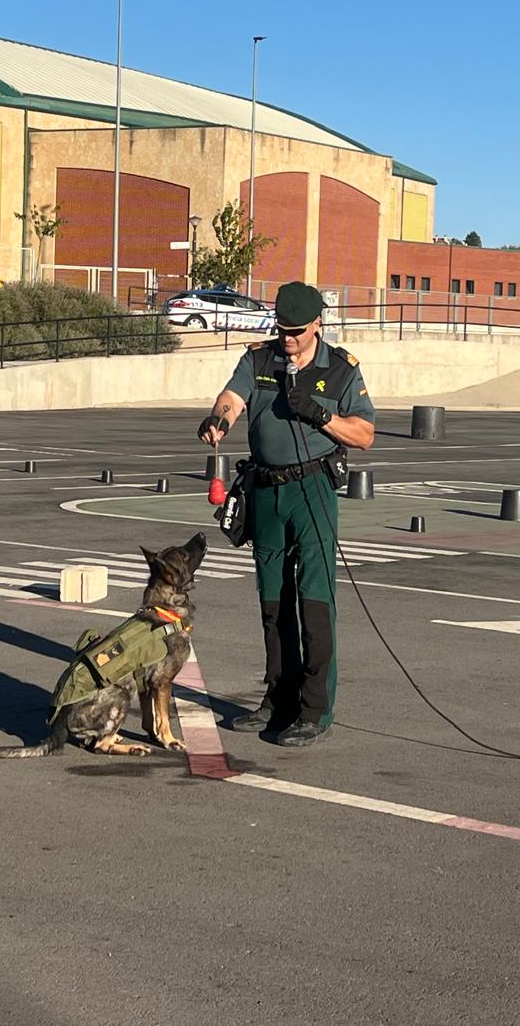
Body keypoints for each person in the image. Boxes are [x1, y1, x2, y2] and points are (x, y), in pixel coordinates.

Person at [197, 281, 375, 746]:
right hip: (265, 490)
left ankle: (315, 710)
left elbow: (364, 434)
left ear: (318, 323)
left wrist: (319, 415)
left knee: (314, 600)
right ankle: (277, 698)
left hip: (312, 488)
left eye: (297, 330)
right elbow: (232, 398)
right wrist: (218, 420)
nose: (288, 337)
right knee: (273, 601)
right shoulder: (258, 359)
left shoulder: (340, 370)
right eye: (282, 328)